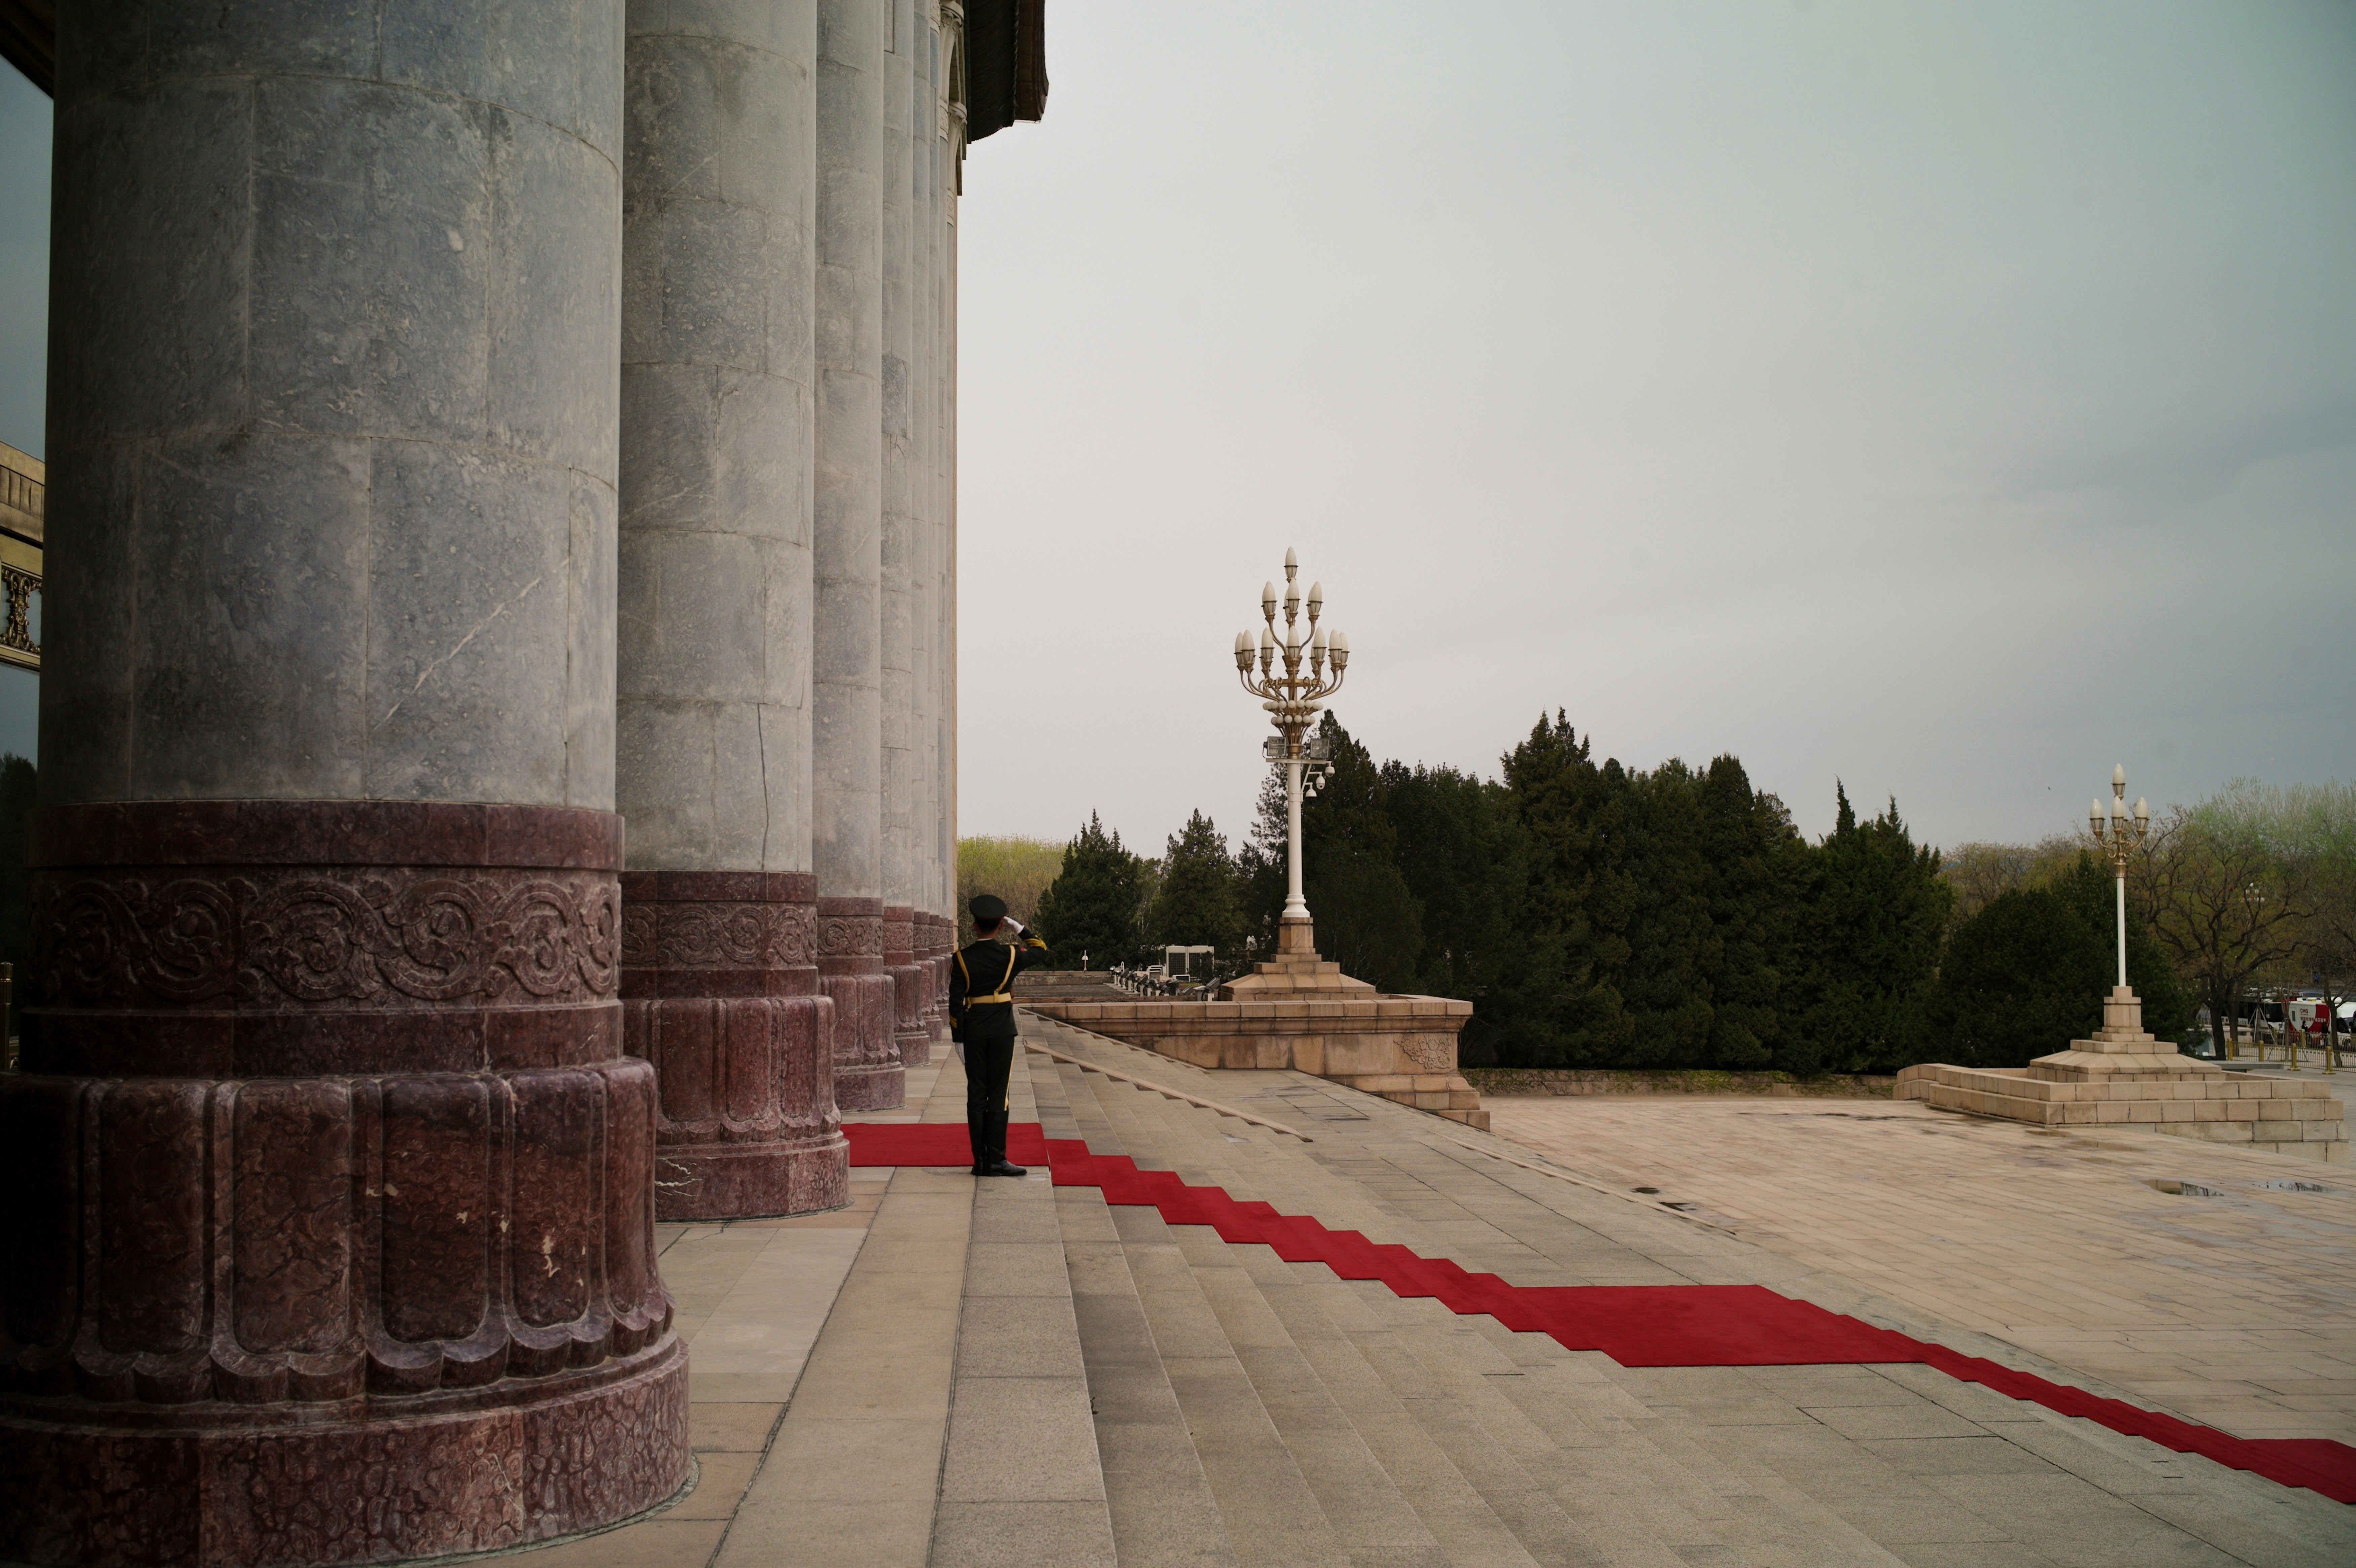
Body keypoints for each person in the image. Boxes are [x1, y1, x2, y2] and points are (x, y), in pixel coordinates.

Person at [948, 893, 1051, 1176]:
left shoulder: (961, 959)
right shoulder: (1010, 954)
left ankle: (980, 1162)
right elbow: (1041, 950)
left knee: (976, 1093)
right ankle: (996, 1158)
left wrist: (958, 1037)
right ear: (999, 926)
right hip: (1002, 1031)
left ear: (974, 927)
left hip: (974, 1031)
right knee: (999, 1094)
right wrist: (1019, 929)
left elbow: (955, 1001)